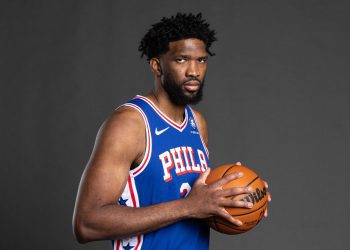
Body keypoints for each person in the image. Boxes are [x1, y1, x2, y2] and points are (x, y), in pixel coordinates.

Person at [73, 13, 270, 250]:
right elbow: (87, 223)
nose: (194, 71)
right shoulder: (130, 123)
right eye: (181, 60)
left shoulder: (197, 123)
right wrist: (188, 206)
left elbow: (200, 205)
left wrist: (242, 197)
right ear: (157, 66)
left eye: (201, 60)